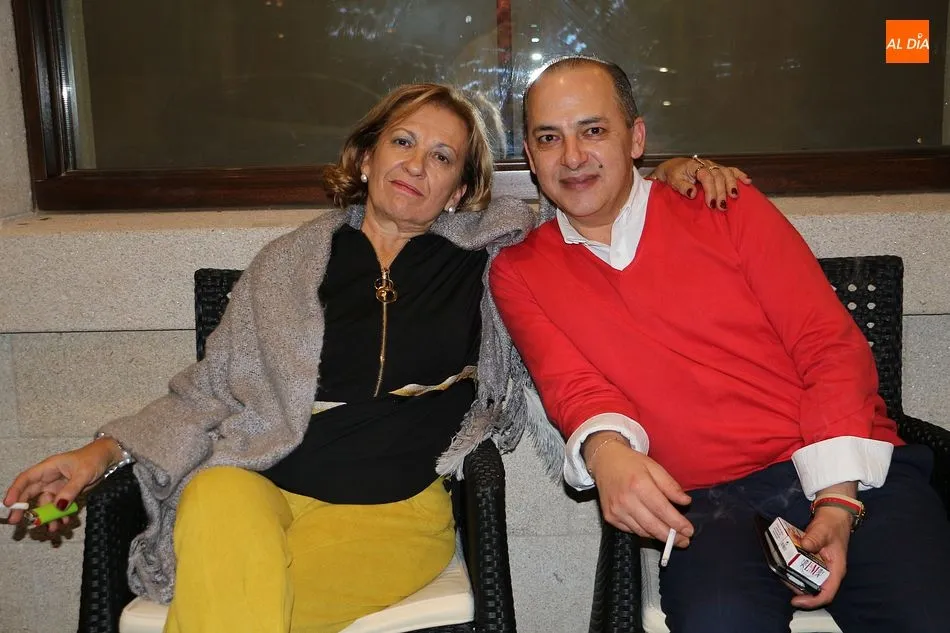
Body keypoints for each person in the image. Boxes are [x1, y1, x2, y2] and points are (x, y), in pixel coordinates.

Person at [3, 82, 733, 633]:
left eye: (442, 157)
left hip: (395, 514)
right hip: (257, 486)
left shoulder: (493, 255)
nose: (417, 165)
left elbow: (591, 194)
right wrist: (98, 453)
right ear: (365, 156)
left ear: (460, 189)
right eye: (403, 142)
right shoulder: (287, 265)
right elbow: (207, 391)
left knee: (238, 606)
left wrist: (666, 175)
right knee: (218, 498)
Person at [489, 56, 950, 633]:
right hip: (708, 504)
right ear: (530, 158)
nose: (573, 156)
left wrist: (837, 502)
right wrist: (607, 454)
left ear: (636, 139)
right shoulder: (521, 271)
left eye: (594, 130)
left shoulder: (722, 204)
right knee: (719, 621)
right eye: (549, 138)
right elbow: (574, 388)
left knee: (926, 616)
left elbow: (827, 346)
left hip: (850, 472)